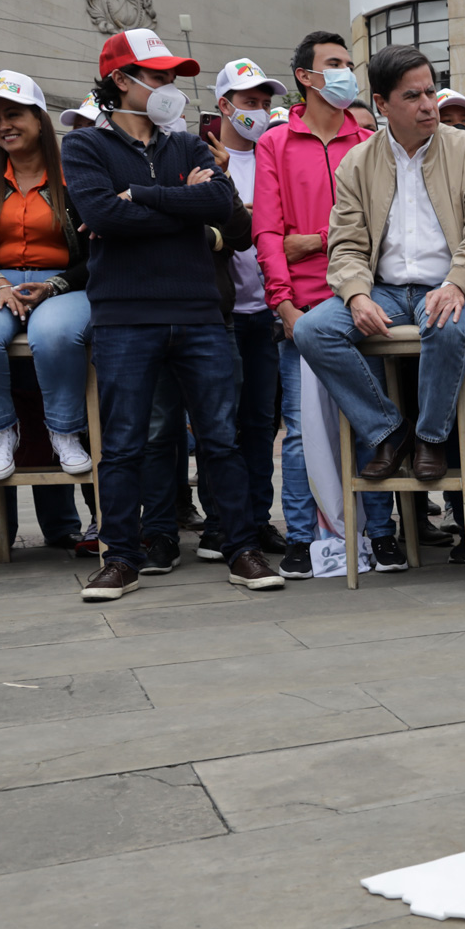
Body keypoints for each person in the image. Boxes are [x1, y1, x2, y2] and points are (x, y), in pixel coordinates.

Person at [61, 27, 284, 601]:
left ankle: (241, 548)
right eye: (157, 76)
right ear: (120, 80)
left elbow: (219, 204)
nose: (169, 88)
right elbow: (101, 217)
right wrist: (182, 209)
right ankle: (121, 557)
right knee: (125, 443)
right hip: (124, 316)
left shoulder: (187, 145)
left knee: (221, 438)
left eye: (171, 77)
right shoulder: (84, 146)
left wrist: (141, 196)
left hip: (200, 313)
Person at [294, 43, 465, 486]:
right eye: (412, 96)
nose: (428, 104)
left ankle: (431, 438)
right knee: (312, 330)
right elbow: (346, 243)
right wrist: (355, 294)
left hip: (460, 285)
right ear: (382, 104)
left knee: (445, 322)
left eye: (430, 91)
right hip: (385, 290)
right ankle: (390, 432)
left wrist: (457, 284)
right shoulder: (358, 161)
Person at [254, 30, 389, 577]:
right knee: (299, 431)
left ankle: (381, 534)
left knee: (371, 421)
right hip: (304, 308)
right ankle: (301, 537)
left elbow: (381, 229)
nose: (345, 74)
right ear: (305, 77)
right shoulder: (275, 144)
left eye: (349, 64)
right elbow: (268, 234)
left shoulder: (370, 142)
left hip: (365, 302)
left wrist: (312, 240)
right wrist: (284, 306)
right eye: (334, 63)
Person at [0, 71, 91, 555]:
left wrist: (55, 286)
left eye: (14, 114)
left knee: (55, 333)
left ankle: (64, 432)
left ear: (39, 117)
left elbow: (100, 248)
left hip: (65, 281)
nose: (3, 125)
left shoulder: (75, 169)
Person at [198, 57, 289, 562]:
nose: (259, 110)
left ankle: (256, 518)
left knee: (260, 422)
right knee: (220, 424)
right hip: (221, 314)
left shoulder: (274, 154)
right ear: (224, 105)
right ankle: (219, 523)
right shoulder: (201, 157)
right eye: (249, 101)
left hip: (268, 312)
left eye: (265, 102)